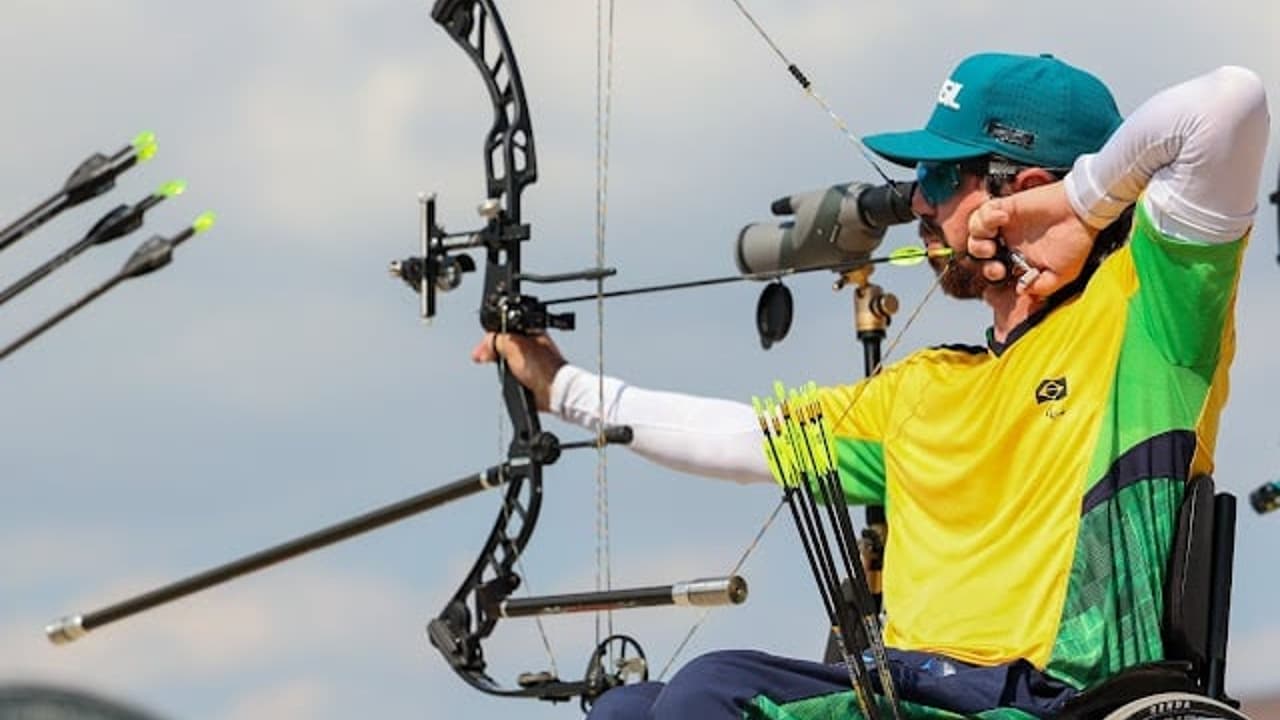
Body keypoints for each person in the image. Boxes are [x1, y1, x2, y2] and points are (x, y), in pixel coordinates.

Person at [472, 53, 1270, 719]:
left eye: (941, 174)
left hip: (1048, 704)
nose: (917, 200)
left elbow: (1228, 105)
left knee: (709, 693)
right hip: (907, 691)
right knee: (626, 710)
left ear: (1022, 184)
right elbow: (738, 439)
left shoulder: (1147, 320)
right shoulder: (927, 385)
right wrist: (562, 388)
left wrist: (1077, 206)